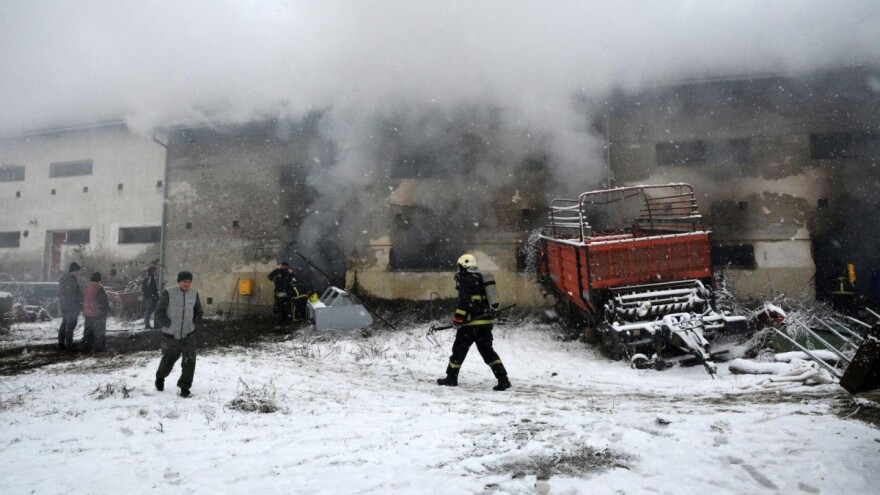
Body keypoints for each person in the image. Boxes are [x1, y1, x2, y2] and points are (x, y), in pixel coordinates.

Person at [437, 253, 511, 391]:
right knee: (488, 353)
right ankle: (503, 379)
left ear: (463, 266)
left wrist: (457, 320)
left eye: (459, 267)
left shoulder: (466, 279)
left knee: (458, 351)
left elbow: (464, 302)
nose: (458, 270)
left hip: (469, 325)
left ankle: (451, 378)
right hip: (485, 324)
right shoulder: (481, 278)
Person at [154, 271, 203, 398]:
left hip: (189, 335)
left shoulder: (194, 294)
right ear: (179, 281)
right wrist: (167, 323)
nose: (187, 284)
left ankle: (185, 388)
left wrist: (195, 323)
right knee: (168, 360)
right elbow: (159, 312)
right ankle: (160, 376)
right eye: (184, 281)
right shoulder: (168, 293)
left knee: (189, 362)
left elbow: (198, 311)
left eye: (189, 281)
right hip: (171, 335)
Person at [81, 272, 110, 353]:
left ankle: (86, 348)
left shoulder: (86, 287)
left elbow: (82, 298)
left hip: (87, 312)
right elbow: (103, 301)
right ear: (99, 280)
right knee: (99, 331)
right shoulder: (99, 287)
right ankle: (99, 348)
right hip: (97, 313)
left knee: (88, 331)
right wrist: (106, 309)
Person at [57, 262, 82, 351]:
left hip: (65, 306)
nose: (79, 273)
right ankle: (69, 345)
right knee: (70, 326)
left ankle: (61, 344)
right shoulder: (70, 280)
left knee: (65, 325)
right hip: (71, 306)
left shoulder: (65, 279)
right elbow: (72, 295)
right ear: (74, 271)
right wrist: (76, 306)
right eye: (78, 271)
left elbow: (62, 295)